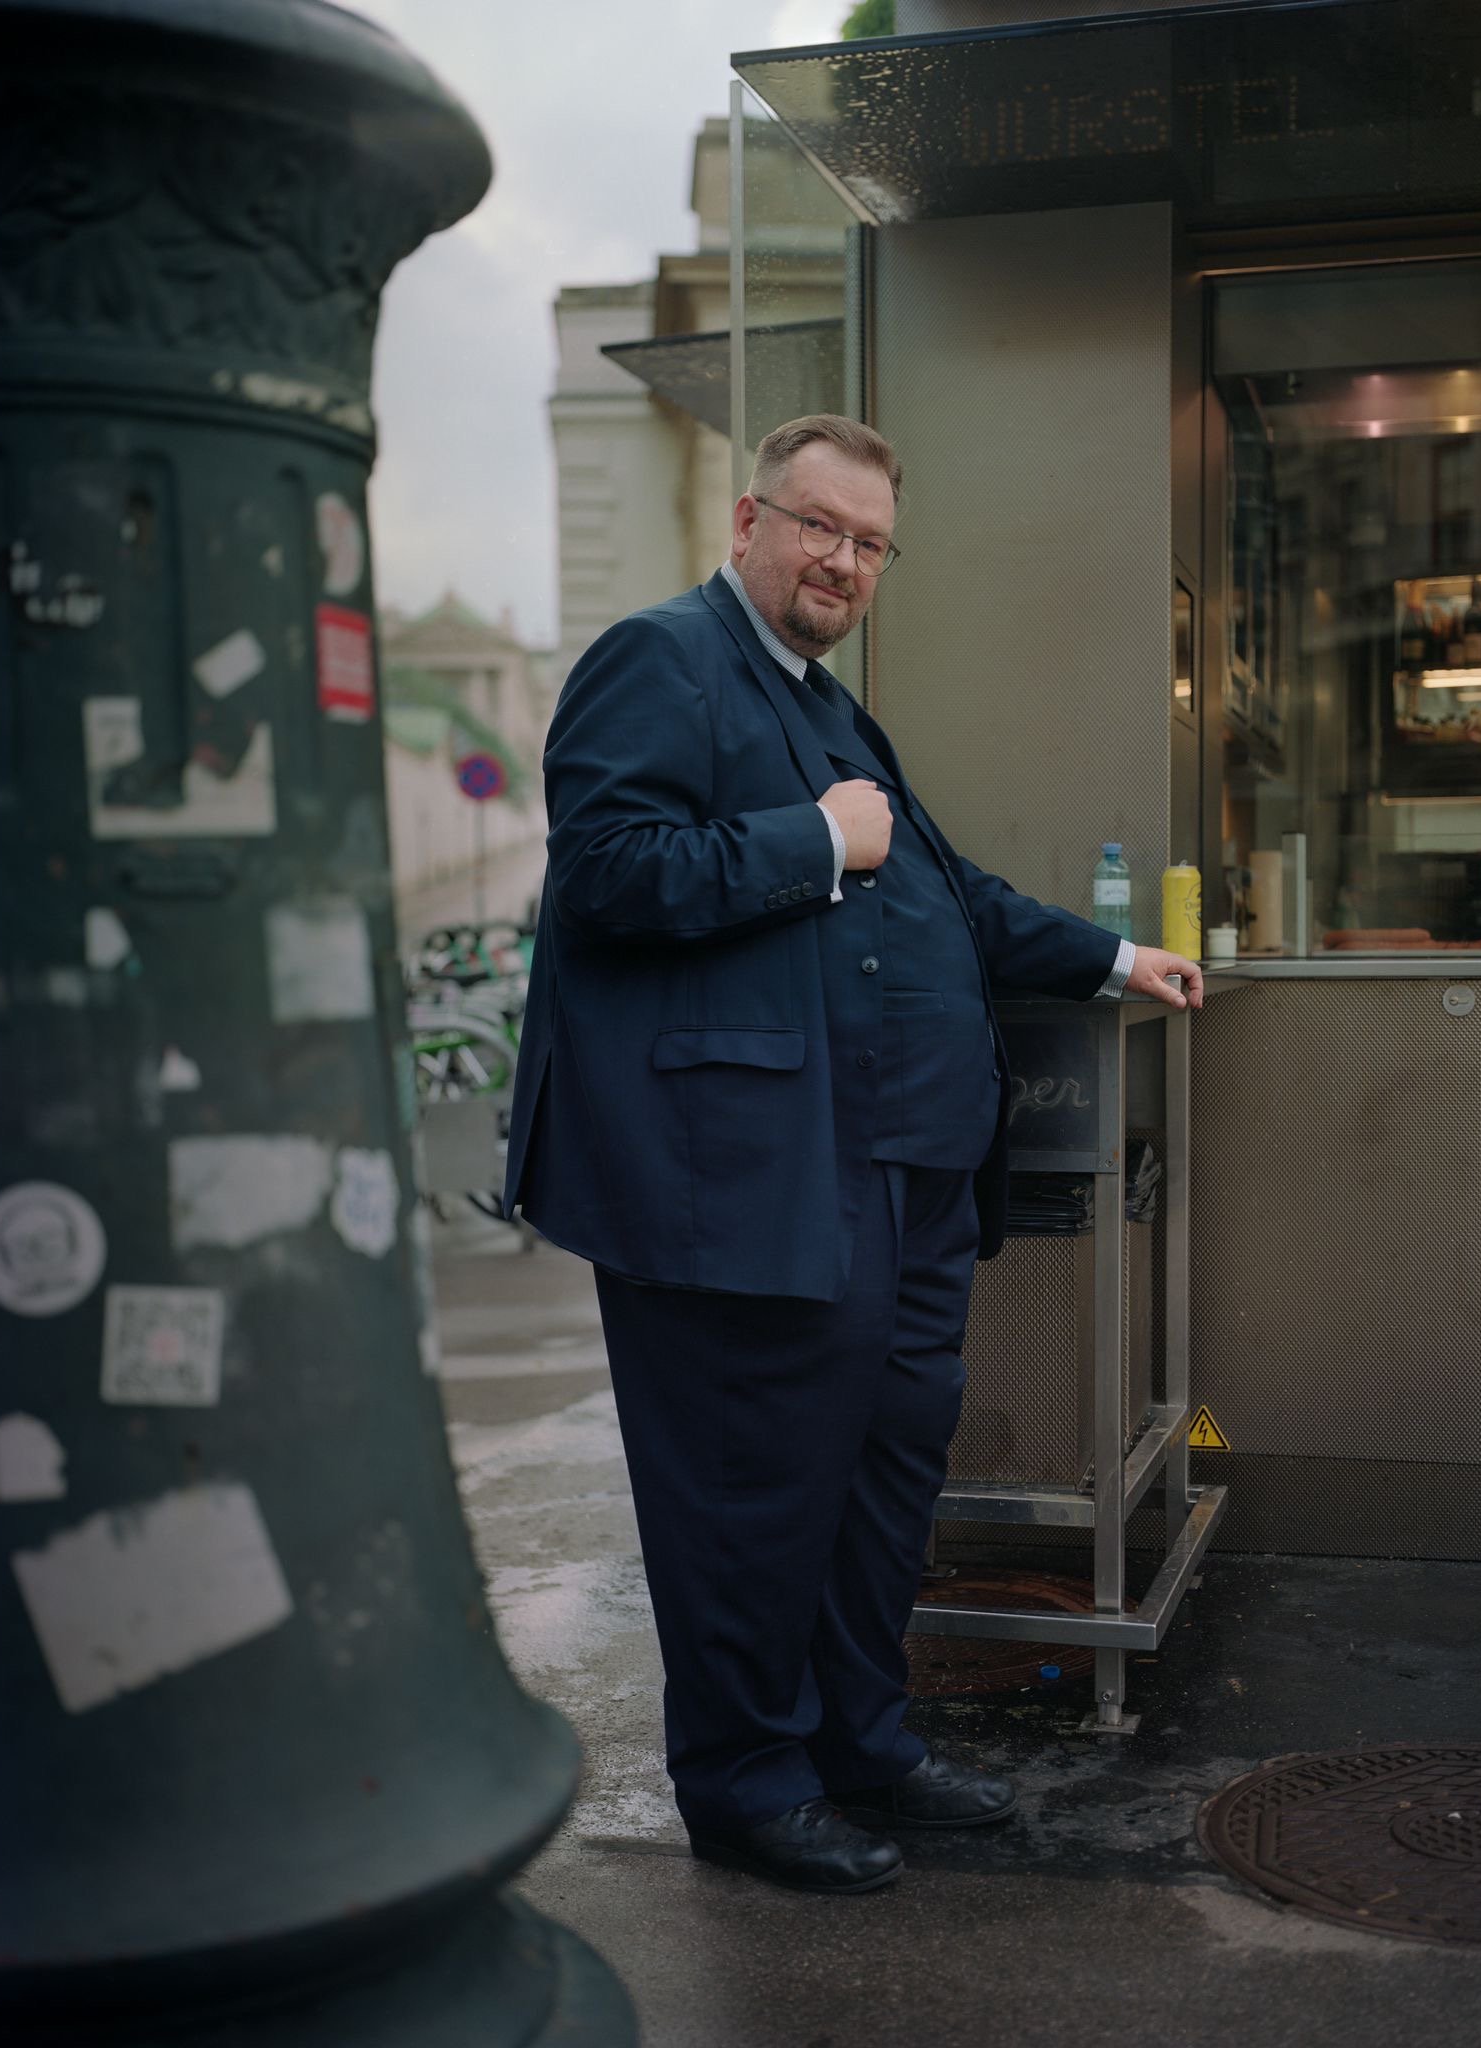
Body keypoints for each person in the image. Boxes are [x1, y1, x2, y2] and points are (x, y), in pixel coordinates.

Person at [502, 415, 1202, 1895]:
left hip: (899, 1181)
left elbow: (949, 893)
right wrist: (815, 841)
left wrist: (1117, 954)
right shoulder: (662, 659)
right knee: (751, 1495)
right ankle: (746, 1783)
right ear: (749, 519)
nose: (840, 560)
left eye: (868, 542)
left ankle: (857, 1742)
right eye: (817, 526)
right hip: (742, 1186)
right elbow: (610, 877)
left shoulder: (827, 704)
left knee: (879, 1487)